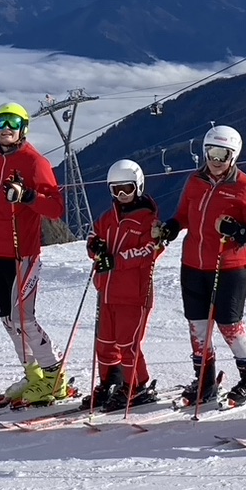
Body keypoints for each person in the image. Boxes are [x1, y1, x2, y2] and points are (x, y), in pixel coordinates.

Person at [152, 124, 246, 406]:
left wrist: (241, 230)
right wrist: (170, 228)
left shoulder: (245, 187)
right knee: (198, 324)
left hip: (230, 266)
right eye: (210, 153)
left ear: (233, 155)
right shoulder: (195, 181)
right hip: (193, 263)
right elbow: (183, 216)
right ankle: (205, 380)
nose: (215, 161)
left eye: (221, 154)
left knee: (229, 324)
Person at [0, 101, 69, 405]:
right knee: (7, 319)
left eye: (13, 123)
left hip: (23, 252)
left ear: (23, 128)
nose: (6, 129)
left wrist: (29, 196)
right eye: (1, 122)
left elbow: (56, 209)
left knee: (24, 319)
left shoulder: (35, 162)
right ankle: (34, 375)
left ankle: (54, 376)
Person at [85, 159, 164, 411]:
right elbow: (93, 236)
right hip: (106, 290)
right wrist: (95, 247)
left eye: (126, 189)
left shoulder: (148, 221)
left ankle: (137, 386)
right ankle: (111, 383)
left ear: (138, 187)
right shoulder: (108, 217)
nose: (121, 195)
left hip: (134, 293)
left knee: (127, 344)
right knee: (105, 343)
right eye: (116, 190)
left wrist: (114, 261)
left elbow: (149, 251)